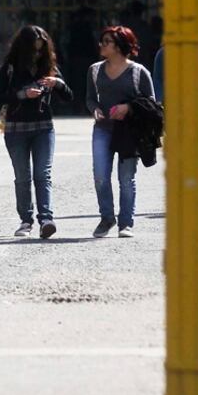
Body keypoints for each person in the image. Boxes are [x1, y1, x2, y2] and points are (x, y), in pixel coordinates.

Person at [0, 25, 73, 239]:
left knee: (43, 174)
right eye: (34, 50)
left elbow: (69, 97)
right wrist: (23, 94)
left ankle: (46, 219)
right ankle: (25, 221)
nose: (38, 54)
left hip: (44, 128)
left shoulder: (49, 66)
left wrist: (57, 83)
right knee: (22, 176)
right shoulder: (11, 67)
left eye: (41, 49)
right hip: (16, 128)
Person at [86, 25, 155, 238]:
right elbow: (89, 98)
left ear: (119, 46)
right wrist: (94, 109)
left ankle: (126, 223)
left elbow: (151, 103)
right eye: (102, 41)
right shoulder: (95, 70)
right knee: (100, 176)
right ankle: (107, 218)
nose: (101, 45)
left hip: (129, 131)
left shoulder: (138, 72)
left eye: (107, 42)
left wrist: (128, 108)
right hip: (103, 129)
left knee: (126, 179)